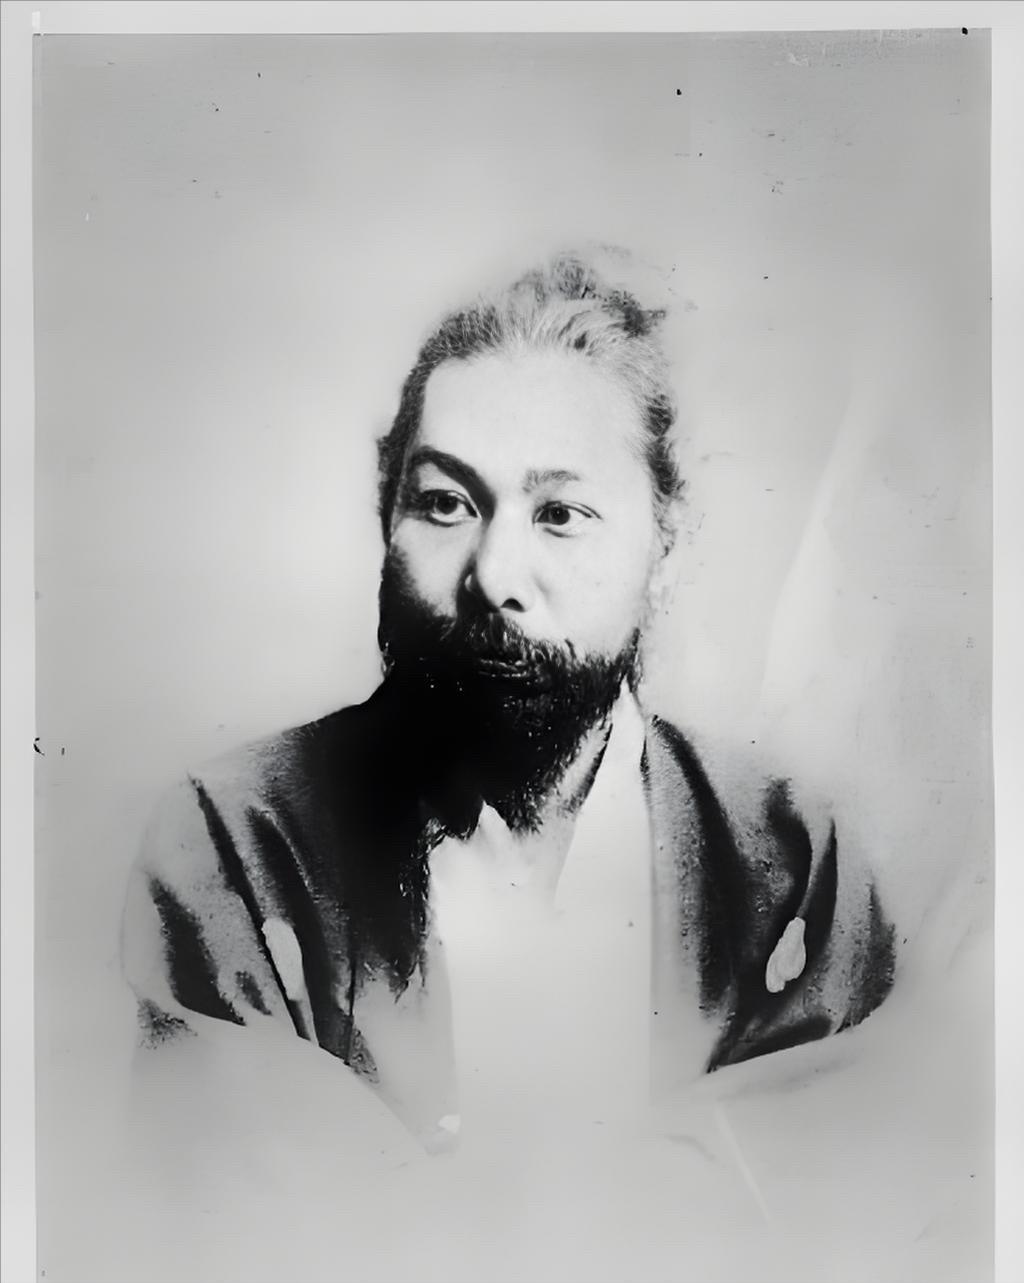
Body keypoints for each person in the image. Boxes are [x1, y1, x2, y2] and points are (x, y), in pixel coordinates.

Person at [121, 250, 896, 1150]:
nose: (492, 575)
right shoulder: (232, 841)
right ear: (386, 516)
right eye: (445, 503)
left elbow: (823, 1194)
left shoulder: (794, 862)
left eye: (560, 514)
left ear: (666, 550)